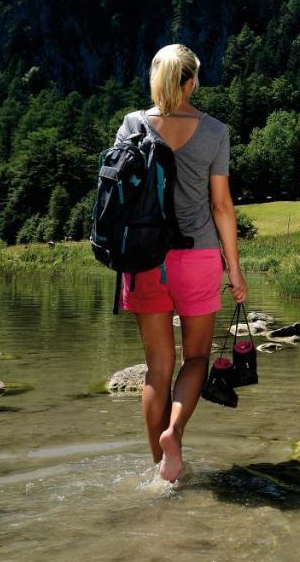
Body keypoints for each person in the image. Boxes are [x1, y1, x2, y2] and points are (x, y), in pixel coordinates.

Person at [114, 43, 248, 482]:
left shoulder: (132, 125)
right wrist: (235, 268)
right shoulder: (214, 131)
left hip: (144, 259)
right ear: (192, 81)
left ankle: (162, 469)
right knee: (195, 359)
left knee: (157, 367)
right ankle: (175, 432)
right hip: (199, 256)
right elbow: (222, 206)